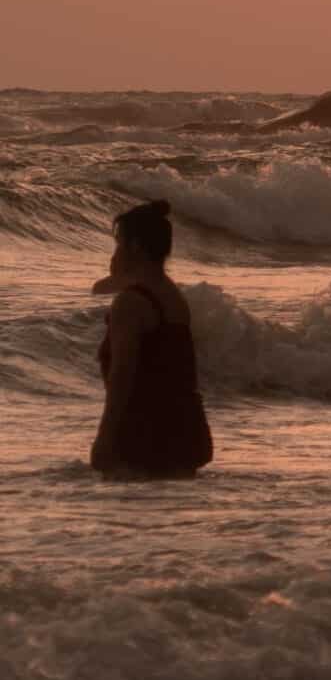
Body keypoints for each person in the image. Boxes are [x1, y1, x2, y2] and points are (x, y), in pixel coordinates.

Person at [91, 199, 214, 479]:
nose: (115, 254)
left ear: (134, 247)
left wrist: (105, 436)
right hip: (187, 433)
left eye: (118, 244)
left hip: (145, 436)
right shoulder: (173, 298)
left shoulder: (130, 303)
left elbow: (123, 374)